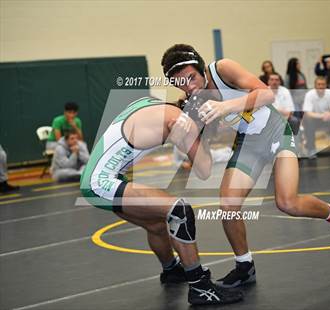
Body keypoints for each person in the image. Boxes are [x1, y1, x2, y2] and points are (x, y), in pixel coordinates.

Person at [161, 44, 330, 289]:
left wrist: (225, 106)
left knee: (287, 202)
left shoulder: (222, 69)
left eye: (191, 78)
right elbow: (204, 169)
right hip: (248, 142)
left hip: (274, 130)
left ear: (201, 68)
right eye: (180, 83)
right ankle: (244, 265)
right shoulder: (193, 101)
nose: (189, 86)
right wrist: (189, 134)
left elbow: (266, 94)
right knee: (228, 204)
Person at [80, 96, 243, 305]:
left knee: (156, 223)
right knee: (180, 212)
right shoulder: (183, 123)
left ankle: (171, 270)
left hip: (100, 177)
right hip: (101, 182)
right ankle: (199, 287)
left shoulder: (153, 103)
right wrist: (199, 138)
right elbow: (204, 171)